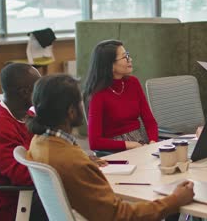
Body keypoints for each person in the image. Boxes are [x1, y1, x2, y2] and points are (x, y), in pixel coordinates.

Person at [27, 74, 195, 220]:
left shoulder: (38, 142)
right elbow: (120, 216)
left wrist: (84, 160)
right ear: (71, 111)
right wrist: (174, 201)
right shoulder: (73, 163)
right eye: (80, 102)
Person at [0, 63, 46, 220]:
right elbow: (23, 177)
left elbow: (49, 148)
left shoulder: (26, 116)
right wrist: (65, 167)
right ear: (25, 93)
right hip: (16, 205)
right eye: (39, 87)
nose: (43, 92)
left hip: (32, 196)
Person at [83, 39, 158, 152]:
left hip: (141, 143)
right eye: (125, 57)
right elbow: (94, 142)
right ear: (110, 65)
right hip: (117, 150)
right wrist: (131, 145)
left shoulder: (133, 82)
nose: (130, 59)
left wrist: (153, 142)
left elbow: (150, 121)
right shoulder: (98, 94)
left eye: (128, 55)